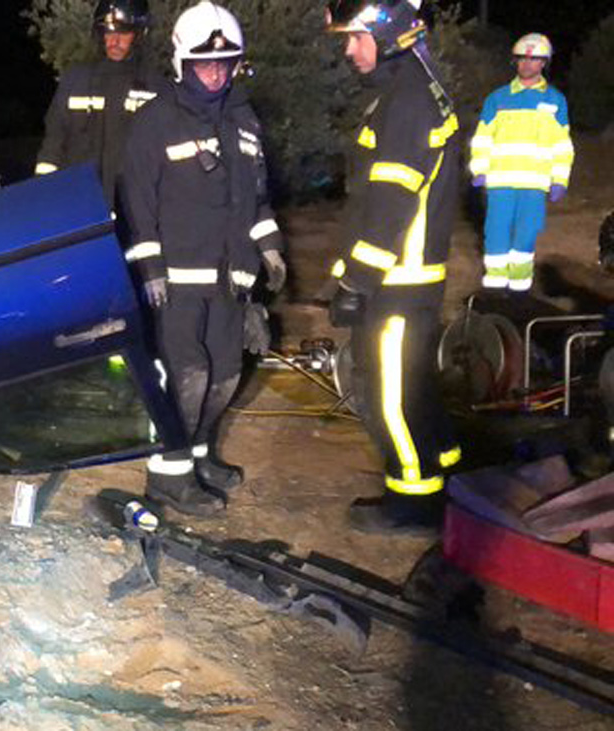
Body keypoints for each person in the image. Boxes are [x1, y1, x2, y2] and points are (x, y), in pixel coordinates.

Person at [121, 1, 286, 517]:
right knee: (186, 376)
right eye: (204, 64)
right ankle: (168, 477)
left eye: (225, 63)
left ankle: (198, 456)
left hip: (231, 279)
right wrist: (148, 271)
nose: (215, 74)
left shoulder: (244, 120)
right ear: (181, 63)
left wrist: (270, 248)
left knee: (224, 376)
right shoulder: (155, 121)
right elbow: (136, 205)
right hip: (176, 282)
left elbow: (256, 198)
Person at [325, 0, 463, 535]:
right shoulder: (414, 88)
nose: (348, 49)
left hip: (393, 283)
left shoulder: (403, 103)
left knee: (390, 397)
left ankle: (412, 499)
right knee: (417, 385)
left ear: (386, 35)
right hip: (413, 279)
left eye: (355, 37)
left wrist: (357, 281)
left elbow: (389, 204)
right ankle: (445, 466)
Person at [469, 33, 575, 291]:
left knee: (527, 234)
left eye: (534, 60)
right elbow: (482, 138)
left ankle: (519, 284)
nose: (527, 65)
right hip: (500, 179)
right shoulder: (497, 98)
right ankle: (495, 282)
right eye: (522, 60)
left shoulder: (555, 100)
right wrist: (479, 169)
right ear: (515, 62)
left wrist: (560, 179)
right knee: (496, 231)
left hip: (534, 183)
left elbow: (562, 145)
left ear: (544, 63)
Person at [34, 0, 165, 204]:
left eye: (123, 33)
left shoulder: (156, 87)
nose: (114, 41)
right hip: (77, 202)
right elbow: (52, 146)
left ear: (139, 35)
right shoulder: (75, 81)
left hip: (134, 206)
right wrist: (44, 195)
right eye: (108, 33)